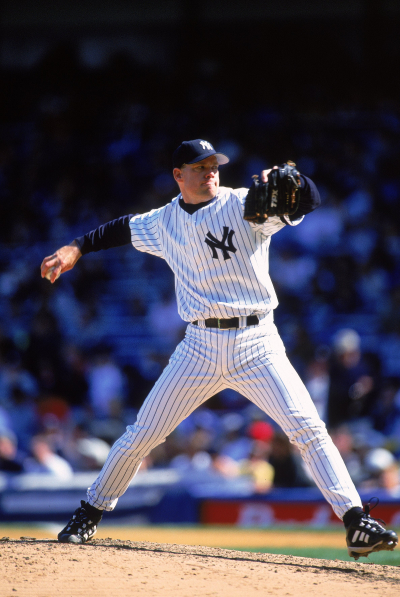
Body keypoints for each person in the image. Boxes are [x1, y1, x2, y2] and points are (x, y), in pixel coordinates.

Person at [41, 139, 398, 559]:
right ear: (178, 176)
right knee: (143, 433)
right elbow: (118, 228)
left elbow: (310, 201)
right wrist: (75, 248)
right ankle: (90, 511)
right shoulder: (162, 221)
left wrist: (299, 182)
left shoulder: (246, 204)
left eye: (214, 164)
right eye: (199, 165)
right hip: (199, 346)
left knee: (308, 429)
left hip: (257, 342)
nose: (210, 170)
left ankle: (356, 521)